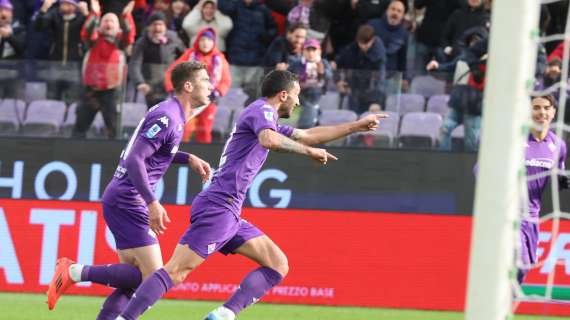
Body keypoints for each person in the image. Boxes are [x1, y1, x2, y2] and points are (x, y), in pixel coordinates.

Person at [113, 70, 387, 320]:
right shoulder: (261, 112)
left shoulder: (266, 118)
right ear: (283, 94)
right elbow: (272, 141)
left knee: (277, 264)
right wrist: (309, 153)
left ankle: (223, 315)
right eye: (296, 95)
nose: (298, 102)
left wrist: (355, 126)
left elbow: (308, 135)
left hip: (230, 210)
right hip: (219, 206)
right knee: (176, 271)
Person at [46, 61, 213, 319]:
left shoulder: (174, 114)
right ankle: (74, 272)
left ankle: (79, 278)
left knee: (133, 281)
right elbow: (136, 158)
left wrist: (187, 158)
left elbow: (157, 151)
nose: (210, 85)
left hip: (122, 198)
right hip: (128, 199)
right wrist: (151, 201)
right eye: (205, 80)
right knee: (154, 277)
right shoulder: (168, 116)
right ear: (188, 86)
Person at [518, 94, 569, 284]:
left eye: (547, 108)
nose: (542, 112)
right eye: (536, 107)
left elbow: (559, 173)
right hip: (508, 214)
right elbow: (480, 168)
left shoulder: (558, 145)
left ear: (553, 112)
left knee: (525, 268)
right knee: (519, 259)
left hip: (532, 216)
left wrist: (562, 181)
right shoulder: (515, 139)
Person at [72, 0, 135, 139]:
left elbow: (129, 35)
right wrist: (94, 14)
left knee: (114, 131)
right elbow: (86, 32)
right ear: (99, 27)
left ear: (118, 28)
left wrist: (125, 17)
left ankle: (113, 158)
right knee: (79, 128)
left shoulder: (121, 45)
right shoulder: (92, 42)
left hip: (111, 92)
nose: (108, 23)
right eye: (105, 20)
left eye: (112, 21)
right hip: (90, 91)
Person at [165, 27, 231, 144]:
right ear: (198, 41)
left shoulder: (219, 58)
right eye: (202, 40)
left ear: (214, 43)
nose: (205, 43)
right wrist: (172, 88)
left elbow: (226, 79)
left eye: (209, 40)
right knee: (185, 128)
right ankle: (177, 154)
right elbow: (173, 71)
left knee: (205, 130)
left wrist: (218, 92)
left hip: (209, 100)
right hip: (189, 99)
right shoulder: (189, 54)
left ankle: (203, 157)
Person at [34, 0, 88, 105]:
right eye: (62, 3)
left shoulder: (81, 18)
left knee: (73, 99)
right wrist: (44, 9)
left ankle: (70, 121)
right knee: (52, 98)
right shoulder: (54, 15)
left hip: (74, 65)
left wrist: (86, 14)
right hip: (55, 64)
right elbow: (38, 27)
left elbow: (92, 31)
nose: (64, 5)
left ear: (74, 5)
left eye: (68, 3)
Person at [129, 11, 185, 109]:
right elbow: (135, 63)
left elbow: (185, 55)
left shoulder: (173, 38)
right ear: (149, 27)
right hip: (151, 86)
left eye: (160, 24)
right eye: (155, 24)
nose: (158, 28)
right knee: (154, 113)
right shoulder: (142, 42)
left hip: (170, 84)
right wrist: (140, 82)